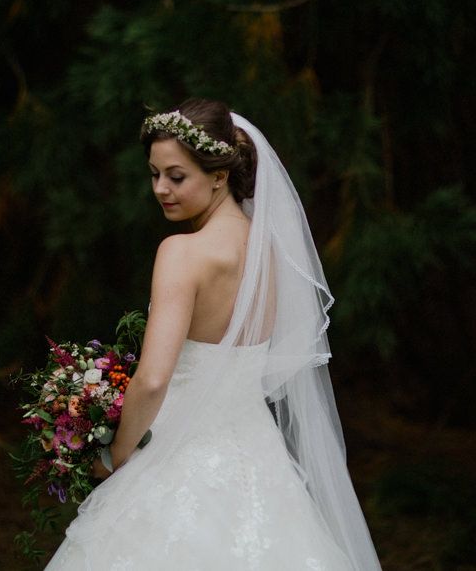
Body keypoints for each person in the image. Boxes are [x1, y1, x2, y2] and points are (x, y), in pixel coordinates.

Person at [46, 99, 382, 570]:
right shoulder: (272, 251)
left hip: (176, 454)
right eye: (154, 174)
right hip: (261, 462)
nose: (161, 189)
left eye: (176, 176)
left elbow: (155, 378)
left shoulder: (183, 253)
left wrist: (116, 457)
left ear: (220, 176)